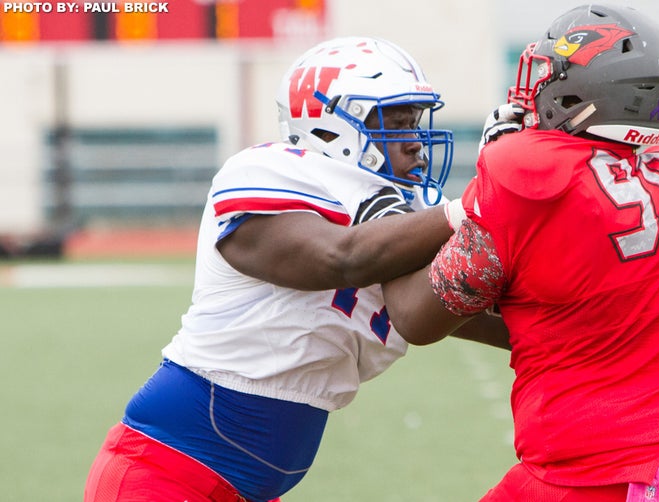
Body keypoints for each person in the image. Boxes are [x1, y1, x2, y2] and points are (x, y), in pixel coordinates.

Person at [84, 36, 506, 502]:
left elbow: (466, 310)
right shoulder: (267, 172)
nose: (414, 140)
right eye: (395, 122)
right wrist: (474, 207)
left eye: (416, 120)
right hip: (168, 472)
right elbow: (341, 257)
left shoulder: (404, 213)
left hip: (249, 486)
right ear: (330, 124)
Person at [382, 5, 659, 502]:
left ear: (582, 93)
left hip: (596, 475)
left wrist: (390, 216)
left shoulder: (529, 182)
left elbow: (415, 317)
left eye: (550, 76)